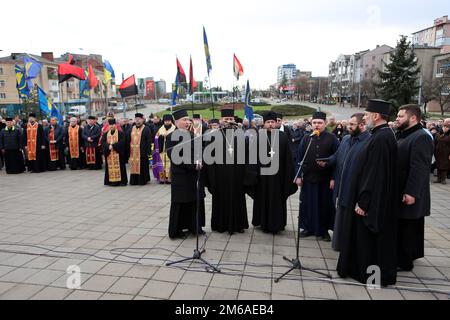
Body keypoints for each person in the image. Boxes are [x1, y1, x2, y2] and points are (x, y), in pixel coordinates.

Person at [337, 99, 398, 287]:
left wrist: (364, 202)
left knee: (368, 242)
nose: (365, 117)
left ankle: (370, 276)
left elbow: (373, 174)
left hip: (371, 202)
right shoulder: (382, 135)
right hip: (375, 199)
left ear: (376, 116)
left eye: (367, 114)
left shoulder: (381, 138)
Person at [317, 113, 370, 251]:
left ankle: (348, 246)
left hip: (354, 188)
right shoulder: (346, 139)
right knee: (340, 215)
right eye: (348, 124)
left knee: (349, 220)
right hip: (341, 185)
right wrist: (326, 162)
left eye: (352, 124)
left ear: (362, 125)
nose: (348, 127)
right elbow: (337, 156)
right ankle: (340, 244)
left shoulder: (369, 142)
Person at [395, 104, 434, 272]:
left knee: (408, 227)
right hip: (402, 188)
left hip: (410, 192)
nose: (397, 118)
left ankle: (404, 262)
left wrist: (411, 192)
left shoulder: (420, 137)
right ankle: (408, 256)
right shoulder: (404, 135)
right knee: (407, 226)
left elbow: (420, 167)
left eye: (400, 116)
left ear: (413, 118)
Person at [250, 111, 298, 233]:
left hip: (278, 177)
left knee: (277, 199)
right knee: (263, 199)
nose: (270, 124)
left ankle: (277, 224)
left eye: (272, 122)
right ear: (264, 123)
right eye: (268, 122)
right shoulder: (259, 136)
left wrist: (289, 176)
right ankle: (262, 222)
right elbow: (252, 157)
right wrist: (253, 175)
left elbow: (288, 158)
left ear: (276, 123)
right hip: (262, 178)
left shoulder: (282, 136)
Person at [295, 111, 339, 241]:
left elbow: (338, 159)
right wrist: (298, 175)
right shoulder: (306, 138)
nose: (317, 125)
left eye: (320, 123)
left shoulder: (332, 138)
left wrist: (334, 178)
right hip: (308, 178)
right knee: (308, 204)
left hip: (325, 180)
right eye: (314, 123)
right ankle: (308, 228)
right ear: (311, 124)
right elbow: (299, 158)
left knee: (324, 206)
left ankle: (323, 231)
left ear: (325, 123)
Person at [205, 108, 251, 234]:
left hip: (237, 175)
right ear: (221, 121)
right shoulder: (213, 136)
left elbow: (247, 156)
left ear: (235, 120)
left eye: (231, 119)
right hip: (221, 177)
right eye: (226, 119)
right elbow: (209, 158)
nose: (229, 122)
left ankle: (239, 224)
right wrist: (211, 178)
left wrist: (246, 176)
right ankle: (221, 225)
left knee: (238, 200)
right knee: (221, 200)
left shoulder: (241, 135)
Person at [166, 109, 205, 239]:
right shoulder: (171, 137)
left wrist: (200, 160)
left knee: (193, 201)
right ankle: (176, 230)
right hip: (180, 176)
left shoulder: (193, 135)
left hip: (192, 176)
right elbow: (175, 157)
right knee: (180, 202)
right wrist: (193, 165)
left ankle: (193, 227)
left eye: (188, 119)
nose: (187, 122)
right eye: (184, 120)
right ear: (176, 122)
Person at [101, 119, 128, 186]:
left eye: (113, 125)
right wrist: (108, 146)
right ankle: (111, 181)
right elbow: (103, 142)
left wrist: (113, 146)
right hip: (109, 154)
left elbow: (123, 142)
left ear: (115, 125)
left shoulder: (120, 133)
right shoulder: (106, 134)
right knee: (109, 168)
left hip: (118, 154)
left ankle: (121, 181)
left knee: (121, 167)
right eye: (110, 125)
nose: (111, 126)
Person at [127, 113, 152, 185]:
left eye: (139, 119)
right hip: (133, 152)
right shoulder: (132, 128)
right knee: (134, 166)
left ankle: (143, 180)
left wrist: (148, 151)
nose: (137, 121)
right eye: (136, 119)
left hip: (142, 151)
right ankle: (134, 181)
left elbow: (149, 141)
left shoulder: (146, 128)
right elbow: (128, 139)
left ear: (142, 120)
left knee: (143, 166)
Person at [153, 114, 176, 183]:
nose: (167, 122)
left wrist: (168, 136)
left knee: (169, 164)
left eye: (168, 121)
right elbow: (156, 138)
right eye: (165, 121)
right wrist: (161, 137)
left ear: (171, 121)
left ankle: (169, 178)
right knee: (162, 164)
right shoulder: (160, 129)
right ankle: (162, 178)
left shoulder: (175, 128)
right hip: (162, 150)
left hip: (170, 150)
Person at [434, 119, 450, 184]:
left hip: (446, 153)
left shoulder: (449, 136)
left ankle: (443, 179)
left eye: (446, 127)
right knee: (438, 165)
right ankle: (438, 178)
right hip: (438, 152)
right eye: (444, 127)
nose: (445, 128)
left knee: (444, 166)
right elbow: (435, 142)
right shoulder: (438, 134)